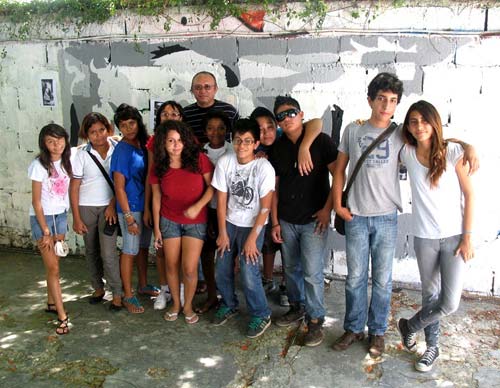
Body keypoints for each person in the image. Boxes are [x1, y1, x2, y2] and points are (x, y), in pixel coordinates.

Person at [332, 72, 479, 358]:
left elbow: (435, 138)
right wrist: (338, 205)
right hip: (356, 216)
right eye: (381, 99)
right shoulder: (353, 129)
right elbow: (339, 169)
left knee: (383, 280)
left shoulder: (401, 133)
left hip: (387, 217)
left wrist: (469, 146)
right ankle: (353, 328)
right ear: (370, 100)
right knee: (355, 278)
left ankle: (377, 333)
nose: (386, 106)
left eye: (393, 101)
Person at [396, 100, 474, 372]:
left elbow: (469, 194)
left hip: (454, 238)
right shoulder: (406, 152)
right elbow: (385, 132)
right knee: (430, 297)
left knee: (450, 303)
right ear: (408, 126)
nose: (419, 127)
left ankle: (409, 326)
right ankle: (432, 348)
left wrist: (468, 237)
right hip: (424, 238)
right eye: (413, 122)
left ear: (435, 122)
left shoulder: (452, 152)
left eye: (424, 121)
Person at [271, 96, 337, 347]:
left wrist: (327, 210)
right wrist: (275, 222)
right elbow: (275, 189)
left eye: (291, 113)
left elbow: (338, 176)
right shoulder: (278, 148)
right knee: (290, 270)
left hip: (314, 221)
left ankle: (315, 321)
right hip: (287, 220)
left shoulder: (321, 142)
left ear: (301, 114)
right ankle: (297, 307)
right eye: (281, 116)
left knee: (312, 273)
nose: (286, 118)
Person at [250, 107, 323, 306]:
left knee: (289, 252)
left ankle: (286, 285)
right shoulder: (253, 147)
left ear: (277, 126)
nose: (265, 133)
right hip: (261, 207)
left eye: (270, 127)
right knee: (268, 244)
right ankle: (268, 280)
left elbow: (316, 121)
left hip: (286, 207)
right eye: (260, 129)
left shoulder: (285, 137)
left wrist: (304, 147)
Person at [212, 118, 275, 338]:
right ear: (232, 140)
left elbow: (266, 206)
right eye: (238, 140)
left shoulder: (263, 167)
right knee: (221, 267)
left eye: (248, 141)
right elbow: (221, 200)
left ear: (256, 143)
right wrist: (222, 232)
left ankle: (261, 313)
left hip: (254, 225)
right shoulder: (225, 162)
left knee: (249, 272)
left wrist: (252, 238)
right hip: (229, 222)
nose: (242, 146)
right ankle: (229, 303)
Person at [151, 120, 214, 324]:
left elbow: (214, 186)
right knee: (171, 264)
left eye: (179, 140)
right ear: (163, 143)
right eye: (170, 140)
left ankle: (187, 305)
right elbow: (156, 198)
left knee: (189, 268)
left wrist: (198, 206)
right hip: (169, 219)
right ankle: (176, 304)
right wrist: (157, 228)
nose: (176, 145)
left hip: (196, 221)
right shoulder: (158, 166)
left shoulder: (199, 159)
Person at [70, 112, 123, 311]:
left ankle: (117, 293)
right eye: (93, 132)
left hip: (110, 208)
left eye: (102, 130)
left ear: (108, 129)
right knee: (91, 250)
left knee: (108, 253)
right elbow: (74, 187)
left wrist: (113, 204)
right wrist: (76, 217)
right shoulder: (82, 154)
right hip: (86, 208)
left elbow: (122, 182)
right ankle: (98, 288)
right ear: (87, 134)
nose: (99, 135)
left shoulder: (118, 148)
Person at [111, 103, 155, 314]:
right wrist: (128, 217)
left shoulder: (143, 144)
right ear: (119, 127)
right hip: (131, 208)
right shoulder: (122, 150)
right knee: (129, 250)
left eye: (132, 123)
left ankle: (143, 284)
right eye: (124, 125)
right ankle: (128, 295)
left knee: (142, 247)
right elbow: (118, 187)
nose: (129, 128)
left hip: (145, 205)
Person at [29, 123, 72, 335]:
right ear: (44, 144)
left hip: (60, 217)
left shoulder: (67, 160)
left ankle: (50, 302)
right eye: (51, 141)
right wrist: (45, 230)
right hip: (42, 219)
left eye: (60, 140)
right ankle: (63, 316)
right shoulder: (39, 165)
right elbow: (36, 202)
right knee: (53, 268)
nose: (56, 145)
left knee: (55, 263)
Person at [144, 100, 185, 310]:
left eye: (174, 113)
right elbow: (150, 177)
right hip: (162, 205)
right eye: (165, 114)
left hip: (185, 210)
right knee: (161, 250)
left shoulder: (187, 140)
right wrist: (148, 208)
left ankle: (182, 288)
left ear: (181, 118)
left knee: (183, 253)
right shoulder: (153, 143)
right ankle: (164, 288)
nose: (169, 117)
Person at [196, 110, 234, 314]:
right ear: (204, 131)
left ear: (227, 130)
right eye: (211, 128)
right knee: (207, 254)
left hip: (230, 212)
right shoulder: (200, 151)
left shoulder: (233, 151)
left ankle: (228, 298)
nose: (216, 132)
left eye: (220, 128)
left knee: (227, 256)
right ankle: (212, 296)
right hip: (206, 210)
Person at [183, 71, 239, 144]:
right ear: (192, 90)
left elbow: (239, 137)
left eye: (207, 87)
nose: (202, 91)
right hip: (195, 155)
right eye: (198, 87)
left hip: (224, 154)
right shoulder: (185, 113)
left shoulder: (230, 111)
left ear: (215, 89)